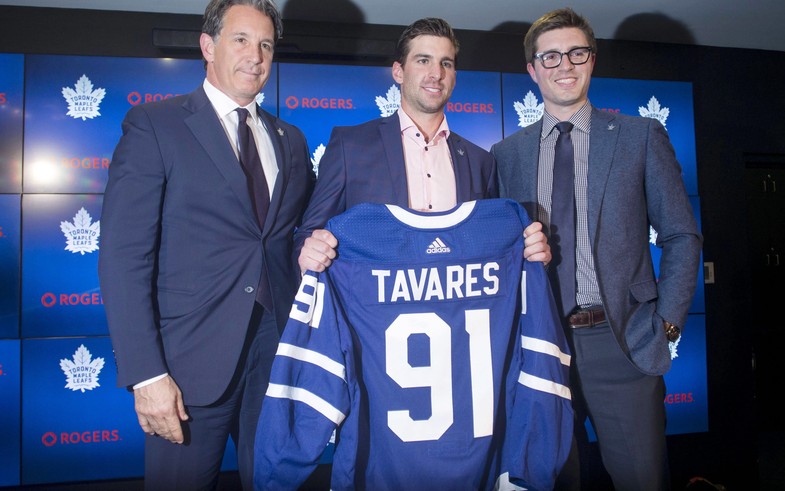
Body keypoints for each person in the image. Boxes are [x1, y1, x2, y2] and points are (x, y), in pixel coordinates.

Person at [98, 1, 314, 489]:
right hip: (187, 369)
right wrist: (146, 374)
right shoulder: (156, 125)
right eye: (240, 40)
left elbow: (303, 234)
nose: (255, 56)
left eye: (265, 44)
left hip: (277, 360)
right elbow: (122, 257)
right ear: (207, 45)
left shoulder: (291, 139)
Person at [491, 7, 702, 491]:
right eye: (550, 57)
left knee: (642, 480)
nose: (564, 65)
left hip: (623, 342)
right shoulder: (507, 155)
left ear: (592, 60)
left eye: (576, 52)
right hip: (540, 344)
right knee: (552, 479)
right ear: (532, 69)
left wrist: (665, 324)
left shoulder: (639, 137)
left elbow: (681, 236)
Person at [296, 17, 549, 274]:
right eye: (423, 60)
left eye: (446, 63)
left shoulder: (480, 161)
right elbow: (309, 235)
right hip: (373, 310)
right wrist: (308, 254)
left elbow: (494, 246)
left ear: (454, 76)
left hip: (458, 309)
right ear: (398, 71)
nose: (436, 74)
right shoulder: (350, 146)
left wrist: (528, 251)